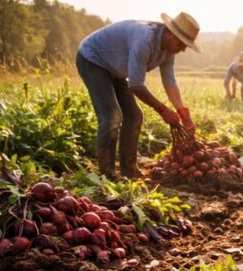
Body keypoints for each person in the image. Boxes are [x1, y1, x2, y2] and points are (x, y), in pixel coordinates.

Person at [76, 12, 200, 179]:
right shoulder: (144, 39)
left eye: (187, 45)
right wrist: (163, 110)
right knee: (112, 116)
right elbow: (136, 85)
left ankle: (129, 170)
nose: (183, 49)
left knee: (134, 115)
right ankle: (107, 174)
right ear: (170, 33)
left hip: (117, 69)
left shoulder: (169, 51)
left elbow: (170, 82)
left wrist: (183, 114)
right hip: (93, 60)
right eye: (182, 43)